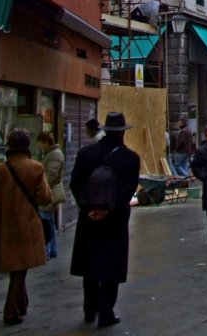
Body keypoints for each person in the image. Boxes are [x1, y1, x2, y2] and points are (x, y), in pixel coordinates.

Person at [69, 112, 141, 328]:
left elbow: (75, 184)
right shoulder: (130, 158)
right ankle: (106, 312)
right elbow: (127, 191)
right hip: (114, 220)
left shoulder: (86, 154)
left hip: (88, 219)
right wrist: (108, 210)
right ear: (122, 133)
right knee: (111, 265)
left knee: (90, 263)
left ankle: (89, 309)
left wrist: (89, 208)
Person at [0, 128, 52, 326]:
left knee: (17, 267)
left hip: (6, 226)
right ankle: (10, 310)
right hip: (27, 225)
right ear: (27, 146)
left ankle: (22, 302)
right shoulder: (35, 168)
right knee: (20, 267)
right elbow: (44, 198)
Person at [36, 131, 66, 259]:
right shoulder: (53, 154)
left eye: (40, 144)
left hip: (48, 193)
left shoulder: (54, 155)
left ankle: (46, 252)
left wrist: (41, 188)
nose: (39, 147)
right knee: (49, 223)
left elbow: (51, 176)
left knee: (45, 222)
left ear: (46, 143)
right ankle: (52, 250)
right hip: (50, 192)